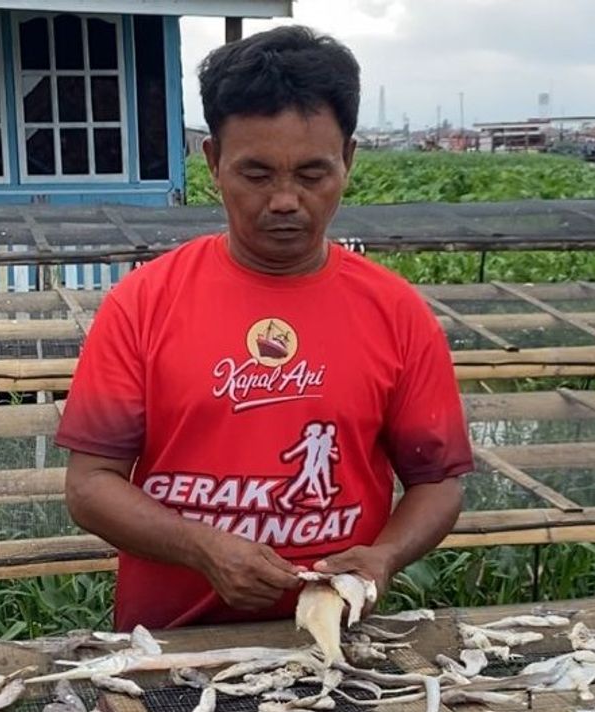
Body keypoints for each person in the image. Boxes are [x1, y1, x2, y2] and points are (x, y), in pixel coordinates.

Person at [56, 25, 473, 631]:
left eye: (312, 175)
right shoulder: (143, 303)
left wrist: (383, 556)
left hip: (333, 646)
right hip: (169, 643)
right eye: (256, 175)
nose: (284, 200)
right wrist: (201, 547)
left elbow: (438, 483)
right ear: (213, 162)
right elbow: (90, 486)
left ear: (348, 160)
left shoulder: (396, 312)